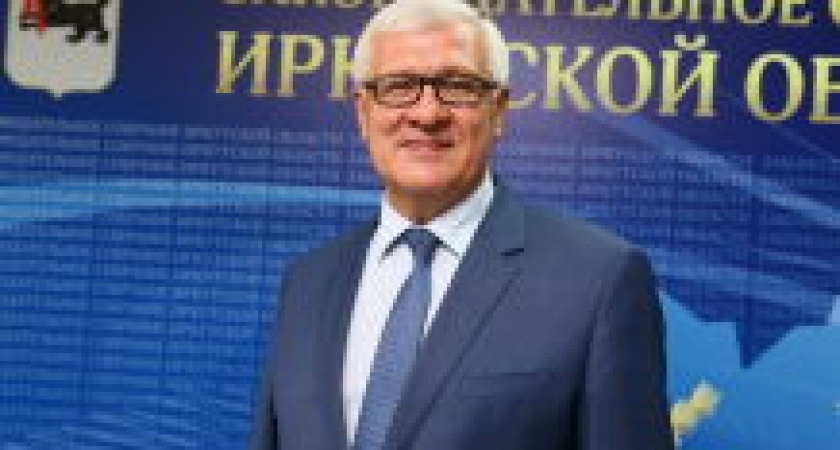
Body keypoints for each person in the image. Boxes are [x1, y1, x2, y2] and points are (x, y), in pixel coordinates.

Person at [249, 0, 674, 449]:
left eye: (458, 87)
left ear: (499, 109)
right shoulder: (308, 282)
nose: (427, 114)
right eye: (399, 86)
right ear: (363, 112)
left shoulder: (597, 280)